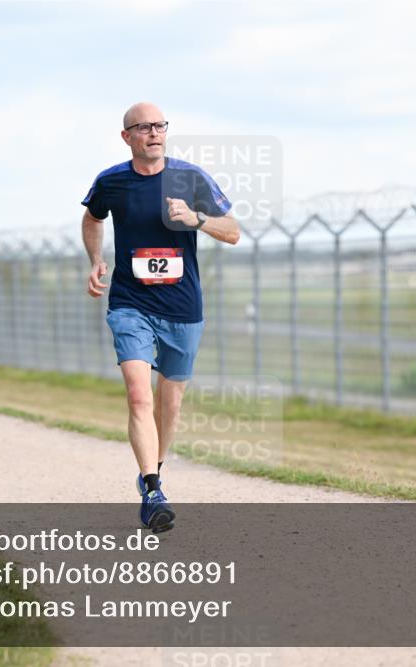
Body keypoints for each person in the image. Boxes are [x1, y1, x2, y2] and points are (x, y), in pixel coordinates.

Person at [81, 102, 240, 532]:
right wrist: (96, 259)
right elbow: (92, 218)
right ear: (127, 136)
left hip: (182, 307)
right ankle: (152, 491)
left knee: (170, 403)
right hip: (130, 303)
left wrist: (197, 219)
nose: (153, 132)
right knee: (139, 395)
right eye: (143, 127)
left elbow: (234, 232)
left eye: (159, 126)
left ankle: (154, 468)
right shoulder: (111, 181)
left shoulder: (190, 178)